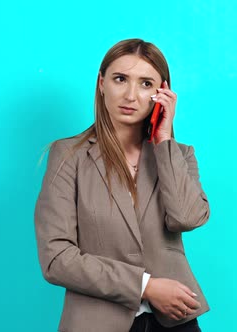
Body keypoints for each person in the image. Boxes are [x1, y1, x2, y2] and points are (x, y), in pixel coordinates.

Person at [34, 38, 210, 332]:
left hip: (174, 323)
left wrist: (164, 139)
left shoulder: (179, 155)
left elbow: (187, 217)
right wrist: (146, 287)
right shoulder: (68, 156)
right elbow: (57, 258)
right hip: (97, 323)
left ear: (162, 93)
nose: (130, 95)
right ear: (102, 83)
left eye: (145, 84)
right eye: (120, 79)